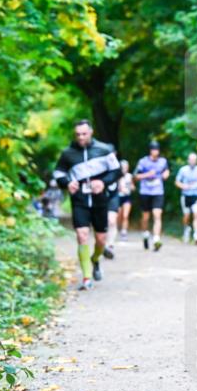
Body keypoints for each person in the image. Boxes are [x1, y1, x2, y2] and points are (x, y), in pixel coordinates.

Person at [53, 119, 121, 290]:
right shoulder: (68, 153)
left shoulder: (104, 150)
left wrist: (103, 182)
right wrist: (67, 182)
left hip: (100, 200)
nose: (81, 137)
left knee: (100, 240)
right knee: (82, 235)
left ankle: (95, 259)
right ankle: (86, 277)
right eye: (77, 135)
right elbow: (58, 173)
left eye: (84, 134)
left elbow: (116, 170)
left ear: (91, 132)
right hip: (79, 200)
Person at [134, 140, 170, 251]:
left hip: (158, 191)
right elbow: (135, 176)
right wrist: (147, 174)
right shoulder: (143, 162)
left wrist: (165, 175)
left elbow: (166, 171)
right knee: (145, 217)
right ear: (150, 151)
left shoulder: (163, 161)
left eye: (157, 150)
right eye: (154, 149)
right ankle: (145, 234)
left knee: (157, 214)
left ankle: (156, 239)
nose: (156, 152)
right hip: (145, 192)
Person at [174, 152, 197, 244]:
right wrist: (183, 186)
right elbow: (177, 182)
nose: (192, 161)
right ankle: (186, 229)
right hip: (185, 196)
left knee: (196, 214)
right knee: (186, 216)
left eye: (194, 160)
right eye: (191, 159)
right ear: (188, 160)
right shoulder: (183, 170)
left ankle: (196, 235)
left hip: (196, 196)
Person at [116, 159, 134, 240]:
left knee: (125, 215)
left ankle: (124, 232)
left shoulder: (130, 176)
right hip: (118, 197)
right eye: (123, 167)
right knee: (118, 215)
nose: (124, 168)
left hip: (127, 197)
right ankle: (117, 229)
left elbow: (133, 186)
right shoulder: (117, 176)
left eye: (126, 167)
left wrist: (132, 187)